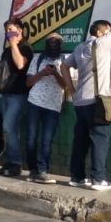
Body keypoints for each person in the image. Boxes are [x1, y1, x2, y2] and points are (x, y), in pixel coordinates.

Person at [61, 0, 111, 191]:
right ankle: (98, 179)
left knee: (81, 140)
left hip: (80, 101)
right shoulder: (101, 43)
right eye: (108, 31)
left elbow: (64, 66)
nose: (110, 34)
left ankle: (77, 177)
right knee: (100, 139)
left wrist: (71, 89)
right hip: (97, 101)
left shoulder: (80, 47)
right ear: (100, 33)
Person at [0, 19, 34, 176]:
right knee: (9, 129)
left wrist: (14, 43)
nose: (8, 33)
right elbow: (4, 72)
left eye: (11, 29)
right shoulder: (6, 51)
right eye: (6, 30)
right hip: (6, 93)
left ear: (19, 31)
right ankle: (10, 161)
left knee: (8, 126)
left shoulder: (25, 48)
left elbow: (20, 65)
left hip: (19, 94)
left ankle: (16, 163)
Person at [25, 32, 66, 184]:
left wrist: (55, 73)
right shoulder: (38, 59)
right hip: (35, 101)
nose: (53, 46)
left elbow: (65, 85)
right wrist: (42, 73)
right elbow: (28, 83)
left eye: (56, 43)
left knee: (47, 139)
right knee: (31, 137)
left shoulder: (65, 61)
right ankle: (32, 170)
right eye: (50, 43)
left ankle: (43, 170)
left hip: (53, 104)